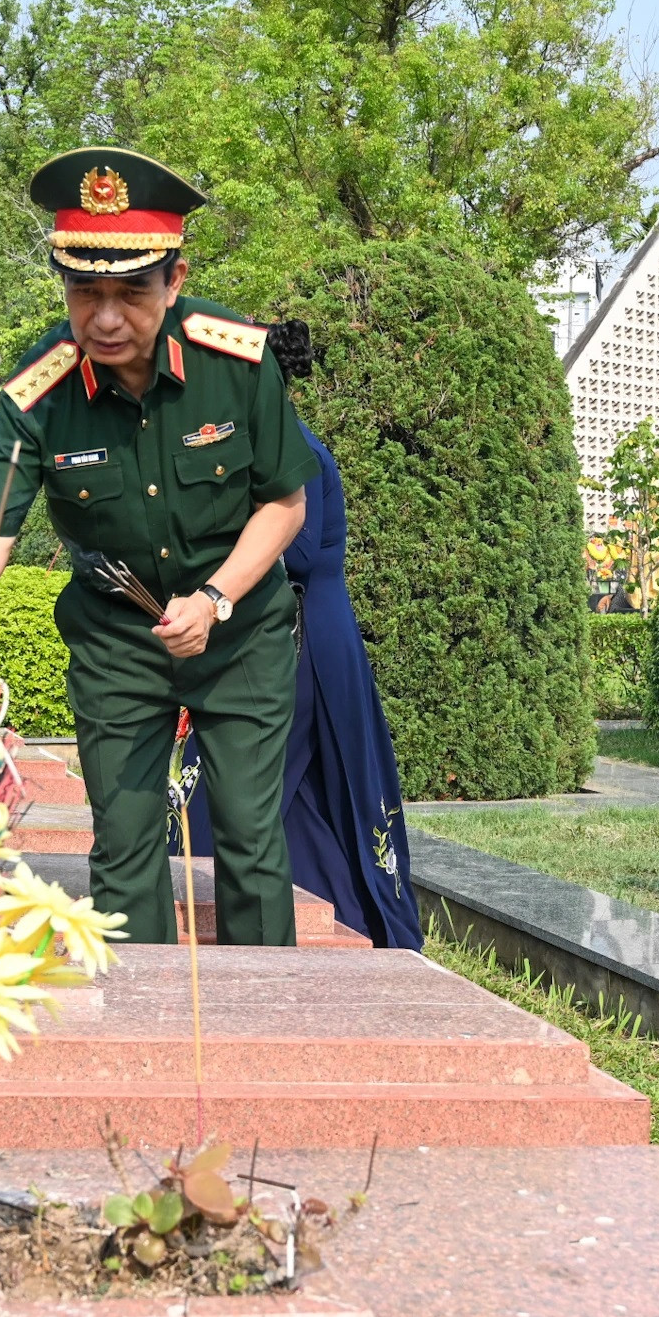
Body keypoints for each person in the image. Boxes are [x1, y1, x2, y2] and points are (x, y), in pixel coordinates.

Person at [0, 147, 319, 945]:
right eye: (85, 291)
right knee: (124, 848)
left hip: (241, 636)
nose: (106, 318)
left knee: (252, 845)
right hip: (118, 643)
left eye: (131, 292)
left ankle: (265, 1031)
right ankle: (139, 1035)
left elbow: (285, 504)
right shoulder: (37, 394)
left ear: (174, 281)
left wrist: (216, 598)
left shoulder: (238, 364)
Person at [183, 322, 422, 949]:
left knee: (248, 769)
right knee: (294, 790)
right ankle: (330, 911)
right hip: (286, 631)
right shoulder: (271, 446)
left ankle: (312, 913)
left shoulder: (300, 453)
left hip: (305, 637)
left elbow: (304, 554)